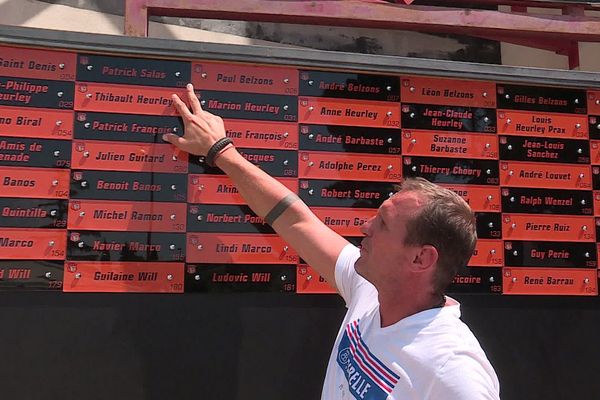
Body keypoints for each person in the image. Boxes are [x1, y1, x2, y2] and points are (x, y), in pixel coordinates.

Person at [164, 84, 501, 400]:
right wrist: (219, 150)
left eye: (383, 223)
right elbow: (294, 218)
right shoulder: (369, 291)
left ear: (420, 259)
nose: (366, 226)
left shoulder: (452, 367)